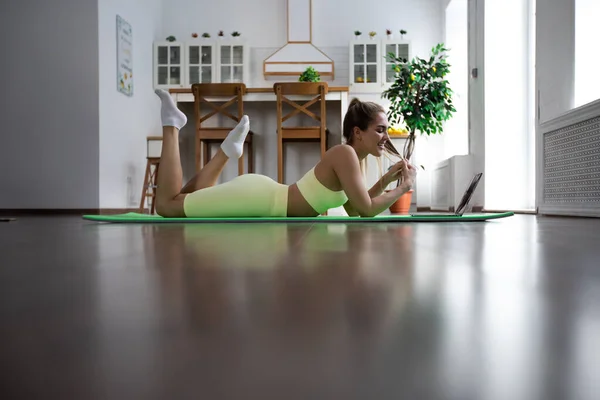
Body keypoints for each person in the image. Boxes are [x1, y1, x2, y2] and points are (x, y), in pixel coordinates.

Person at [153, 89, 416, 218]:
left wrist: (387, 181)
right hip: (259, 200)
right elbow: (367, 209)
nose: (386, 138)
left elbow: (352, 207)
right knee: (166, 206)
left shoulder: (352, 161)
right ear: (358, 132)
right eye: (381, 130)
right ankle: (171, 125)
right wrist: (404, 187)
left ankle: (226, 151)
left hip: (263, 198)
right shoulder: (345, 154)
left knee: (186, 199)